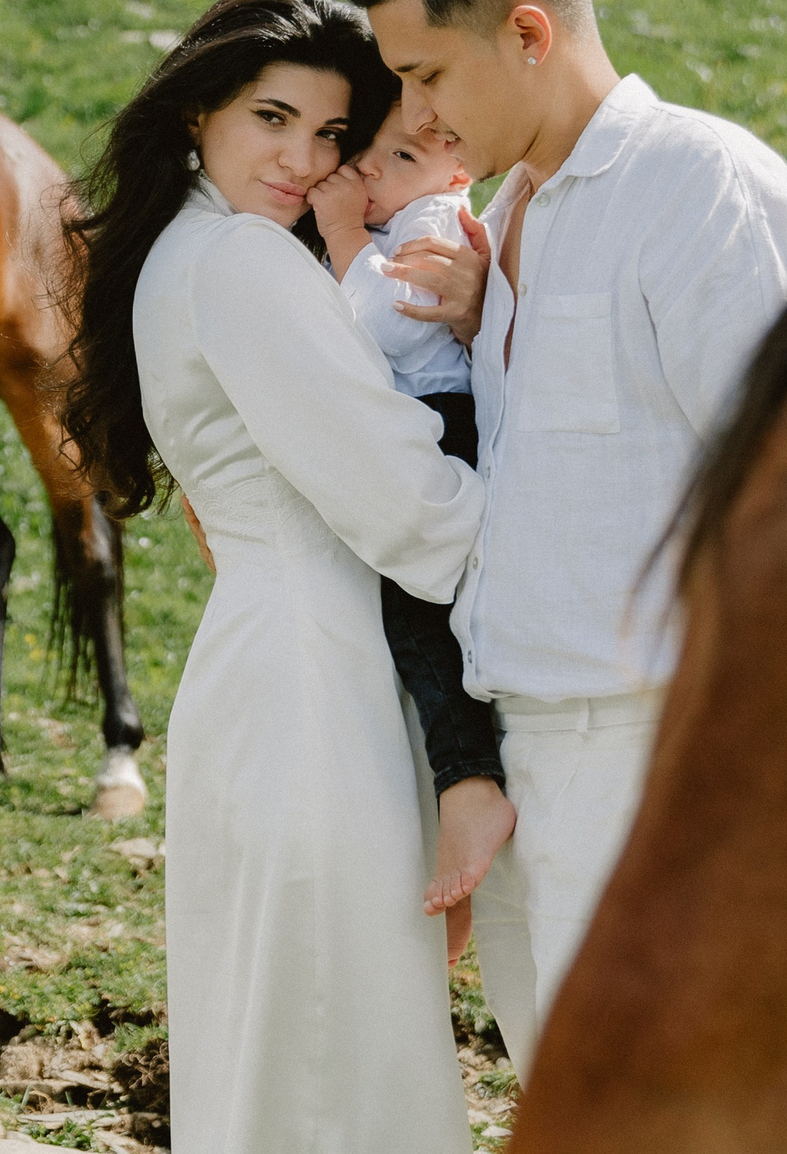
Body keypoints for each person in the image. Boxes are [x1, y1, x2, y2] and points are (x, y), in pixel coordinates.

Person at [336, 0, 787, 1074]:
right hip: (528, 759)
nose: (415, 114)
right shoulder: (501, 222)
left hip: (660, 763)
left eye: (427, 77)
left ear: (526, 31)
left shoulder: (699, 188)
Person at [58, 0, 483, 1154]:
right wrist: (569, 541)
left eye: (334, 134)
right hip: (312, 693)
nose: (304, 159)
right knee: (334, 1056)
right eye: (272, 118)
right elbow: (406, 501)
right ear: (199, 111)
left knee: (292, 1053)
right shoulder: (240, 260)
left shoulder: (187, 250)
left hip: (280, 672)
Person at [306, 101, 516, 951]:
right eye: (369, 153)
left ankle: (470, 781)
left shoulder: (431, 219)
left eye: (398, 155)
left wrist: (341, 232)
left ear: (456, 169)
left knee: (418, 616)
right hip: (422, 420)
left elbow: (390, 316)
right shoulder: (413, 210)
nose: (372, 173)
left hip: (440, 422)